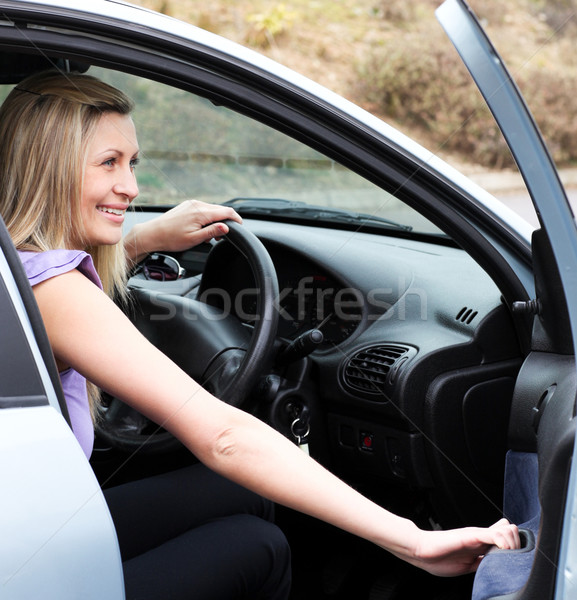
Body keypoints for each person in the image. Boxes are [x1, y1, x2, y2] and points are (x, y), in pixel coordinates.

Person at [0, 70, 519, 599]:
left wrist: (142, 241)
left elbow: (68, 302)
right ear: (51, 169)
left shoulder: (16, 270)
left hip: (28, 531)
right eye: (108, 164)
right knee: (259, 548)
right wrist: (411, 540)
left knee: (238, 495)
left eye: (132, 163)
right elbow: (223, 435)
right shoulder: (56, 289)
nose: (131, 188)